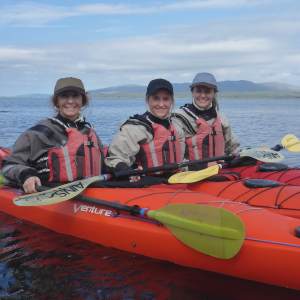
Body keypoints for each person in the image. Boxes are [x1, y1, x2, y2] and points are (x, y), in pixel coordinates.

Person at [2, 77, 104, 193]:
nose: (70, 101)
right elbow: (9, 165)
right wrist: (27, 175)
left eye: (75, 95)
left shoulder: (90, 134)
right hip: (50, 194)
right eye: (64, 95)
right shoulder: (36, 133)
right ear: (57, 101)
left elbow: (104, 168)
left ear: (82, 102)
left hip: (92, 196)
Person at [105, 78, 185, 182]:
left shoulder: (177, 128)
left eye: (166, 99)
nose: (161, 104)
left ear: (172, 101)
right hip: (146, 184)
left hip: (175, 182)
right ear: (147, 100)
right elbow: (114, 159)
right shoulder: (134, 128)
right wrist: (129, 172)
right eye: (156, 99)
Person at [173, 72, 241, 170]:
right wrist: (203, 167)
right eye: (198, 91)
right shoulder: (177, 118)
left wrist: (256, 153)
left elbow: (234, 149)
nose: (203, 95)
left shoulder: (222, 119)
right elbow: (175, 157)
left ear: (214, 93)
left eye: (208, 91)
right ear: (192, 92)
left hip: (220, 173)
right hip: (190, 175)